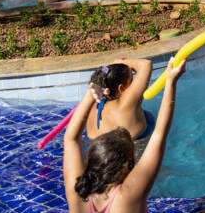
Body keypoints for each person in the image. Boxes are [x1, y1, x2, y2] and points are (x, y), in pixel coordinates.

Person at [62, 57, 185, 213]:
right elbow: (158, 134)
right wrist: (171, 82)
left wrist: (89, 97)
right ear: (125, 167)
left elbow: (71, 139)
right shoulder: (127, 197)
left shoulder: (77, 193)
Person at [85, 59, 154, 140]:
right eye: (131, 81)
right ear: (121, 88)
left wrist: (112, 67)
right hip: (136, 145)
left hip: (95, 145)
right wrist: (118, 61)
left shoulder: (92, 104)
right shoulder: (126, 104)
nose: (134, 84)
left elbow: (103, 72)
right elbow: (146, 64)